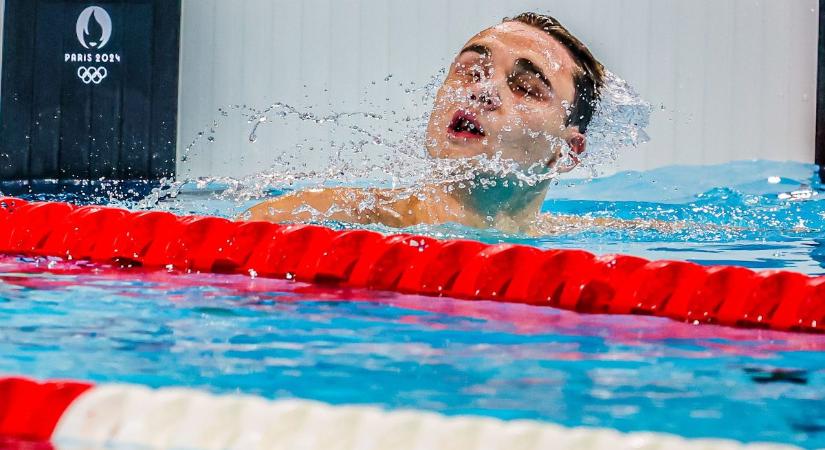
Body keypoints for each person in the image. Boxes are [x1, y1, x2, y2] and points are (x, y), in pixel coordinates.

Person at [245, 13, 650, 234]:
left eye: (525, 88)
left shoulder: (590, 238)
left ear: (568, 152)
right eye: (471, 71)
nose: (483, 91)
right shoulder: (314, 216)